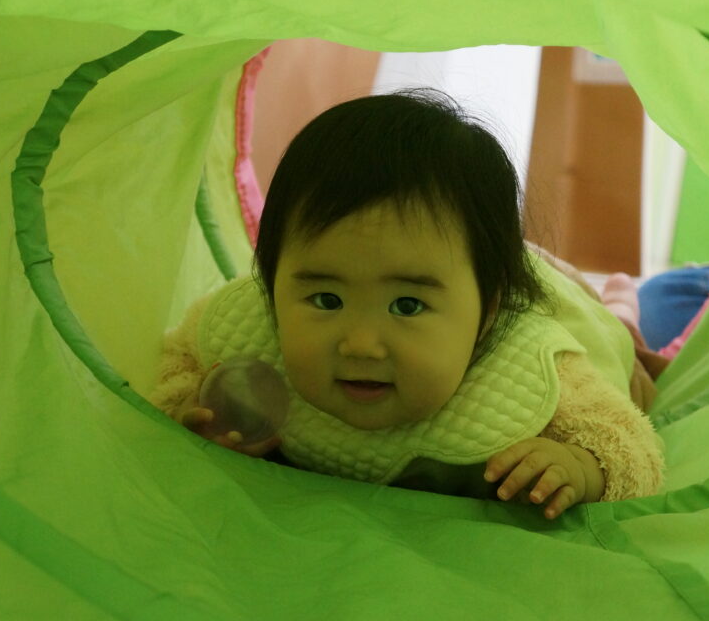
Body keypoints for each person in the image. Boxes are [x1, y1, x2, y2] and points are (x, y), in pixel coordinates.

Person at [151, 89, 664, 519]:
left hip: (566, 306)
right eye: (327, 300)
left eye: (407, 307)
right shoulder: (248, 325)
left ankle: (622, 300)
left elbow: (634, 447)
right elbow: (178, 360)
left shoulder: (535, 370)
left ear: (486, 315)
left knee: (624, 342)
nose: (361, 345)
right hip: (472, 273)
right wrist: (185, 408)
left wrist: (580, 467)